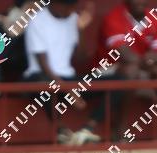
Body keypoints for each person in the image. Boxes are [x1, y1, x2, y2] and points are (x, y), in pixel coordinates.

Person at [23, 0, 107, 144]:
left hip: (68, 78)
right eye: (68, 6)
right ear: (55, 4)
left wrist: (80, 30)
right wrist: (70, 92)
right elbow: (44, 66)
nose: (71, 10)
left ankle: (87, 129)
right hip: (42, 76)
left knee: (120, 80)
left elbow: (81, 57)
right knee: (44, 85)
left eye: (72, 6)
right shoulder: (37, 20)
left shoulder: (73, 19)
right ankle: (61, 132)